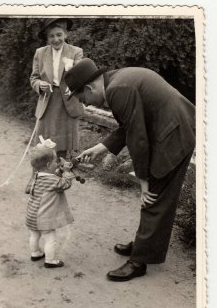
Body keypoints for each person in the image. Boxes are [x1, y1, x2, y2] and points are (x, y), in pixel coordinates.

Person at [64, 58, 195, 282]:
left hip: (174, 134)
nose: (86, 104)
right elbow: (130, 124)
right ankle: (146, 244)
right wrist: (101, 147)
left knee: (154, 197)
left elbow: (138, 138)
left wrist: (143, 180)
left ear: (89, 88)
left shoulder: (117, 89)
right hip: (172, 127)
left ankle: (140, 261)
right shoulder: (115, 81)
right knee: (156, 196)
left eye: (83, 98)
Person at [26, 18, 84, 193]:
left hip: (67, 102)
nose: (56, 39)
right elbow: (33, 78)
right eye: (51, 36)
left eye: (59, 34)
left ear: (66, 34)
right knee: (41, 146)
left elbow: (81, 76)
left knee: (61, 148)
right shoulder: (40, 53)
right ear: (46, 38)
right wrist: (39, 85)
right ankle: (35, 179)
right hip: (48, 101)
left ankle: (56, 180)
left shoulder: (76, 52)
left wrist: (73, 86)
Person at [26, 136, 75, 268]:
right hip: (44, 218)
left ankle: (35, 253)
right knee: (50, 239)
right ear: (48, 165)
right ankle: (50, 260)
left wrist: (59, 170)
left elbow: (30, 188)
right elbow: (65, 184)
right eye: (55, 162)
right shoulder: (52, 180)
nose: (57, 164)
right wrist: (66, 172)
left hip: (32, 215)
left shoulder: (36, 176)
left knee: (34, 235)